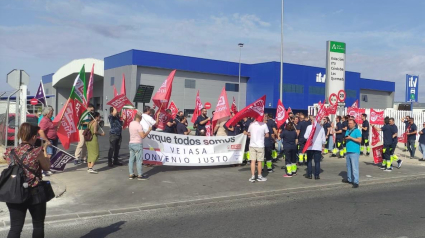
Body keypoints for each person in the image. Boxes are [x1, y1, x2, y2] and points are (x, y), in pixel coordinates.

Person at [3, 123, 51, 238]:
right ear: (34, 137)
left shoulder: (10, 151)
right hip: (35, 193)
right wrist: (45, 150)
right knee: (38, 225)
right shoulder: (37, 152)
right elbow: (47, 167)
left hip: (15, 192)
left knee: (15, 228)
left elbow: (10, 164)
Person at [128, 112, 152, 180]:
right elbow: (143, 136)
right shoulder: (139, 125)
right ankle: (140, 175)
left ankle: (131, 174)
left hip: (131, 143)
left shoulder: (131, 123)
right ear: (140, 118)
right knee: (138, 160)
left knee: (131, 159)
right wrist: (148, 131)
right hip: (137, 143)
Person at [38, 106, 57, 176]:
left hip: (53, 139)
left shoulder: (49, 119)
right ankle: (44, 170)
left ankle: (48, 167)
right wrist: (47, 140)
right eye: (51, 112)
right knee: (48, 154)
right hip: (48, 140)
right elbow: (41, 131)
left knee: (52, 154)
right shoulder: (44, 120)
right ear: (47, 113)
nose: (52, 114)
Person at [342, 119, 362, 188]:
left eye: (350, 123)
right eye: (349, 123)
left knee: (354, 167)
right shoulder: (347, 131)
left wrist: (351, 138)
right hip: (348, 151)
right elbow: (345, 139)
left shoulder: (357, 131)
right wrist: (345, 139)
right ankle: (349, 179)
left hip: (354, 151)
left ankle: (356, 181)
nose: (349, 124)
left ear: (354, 124)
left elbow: (359, 140)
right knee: (349, 166)